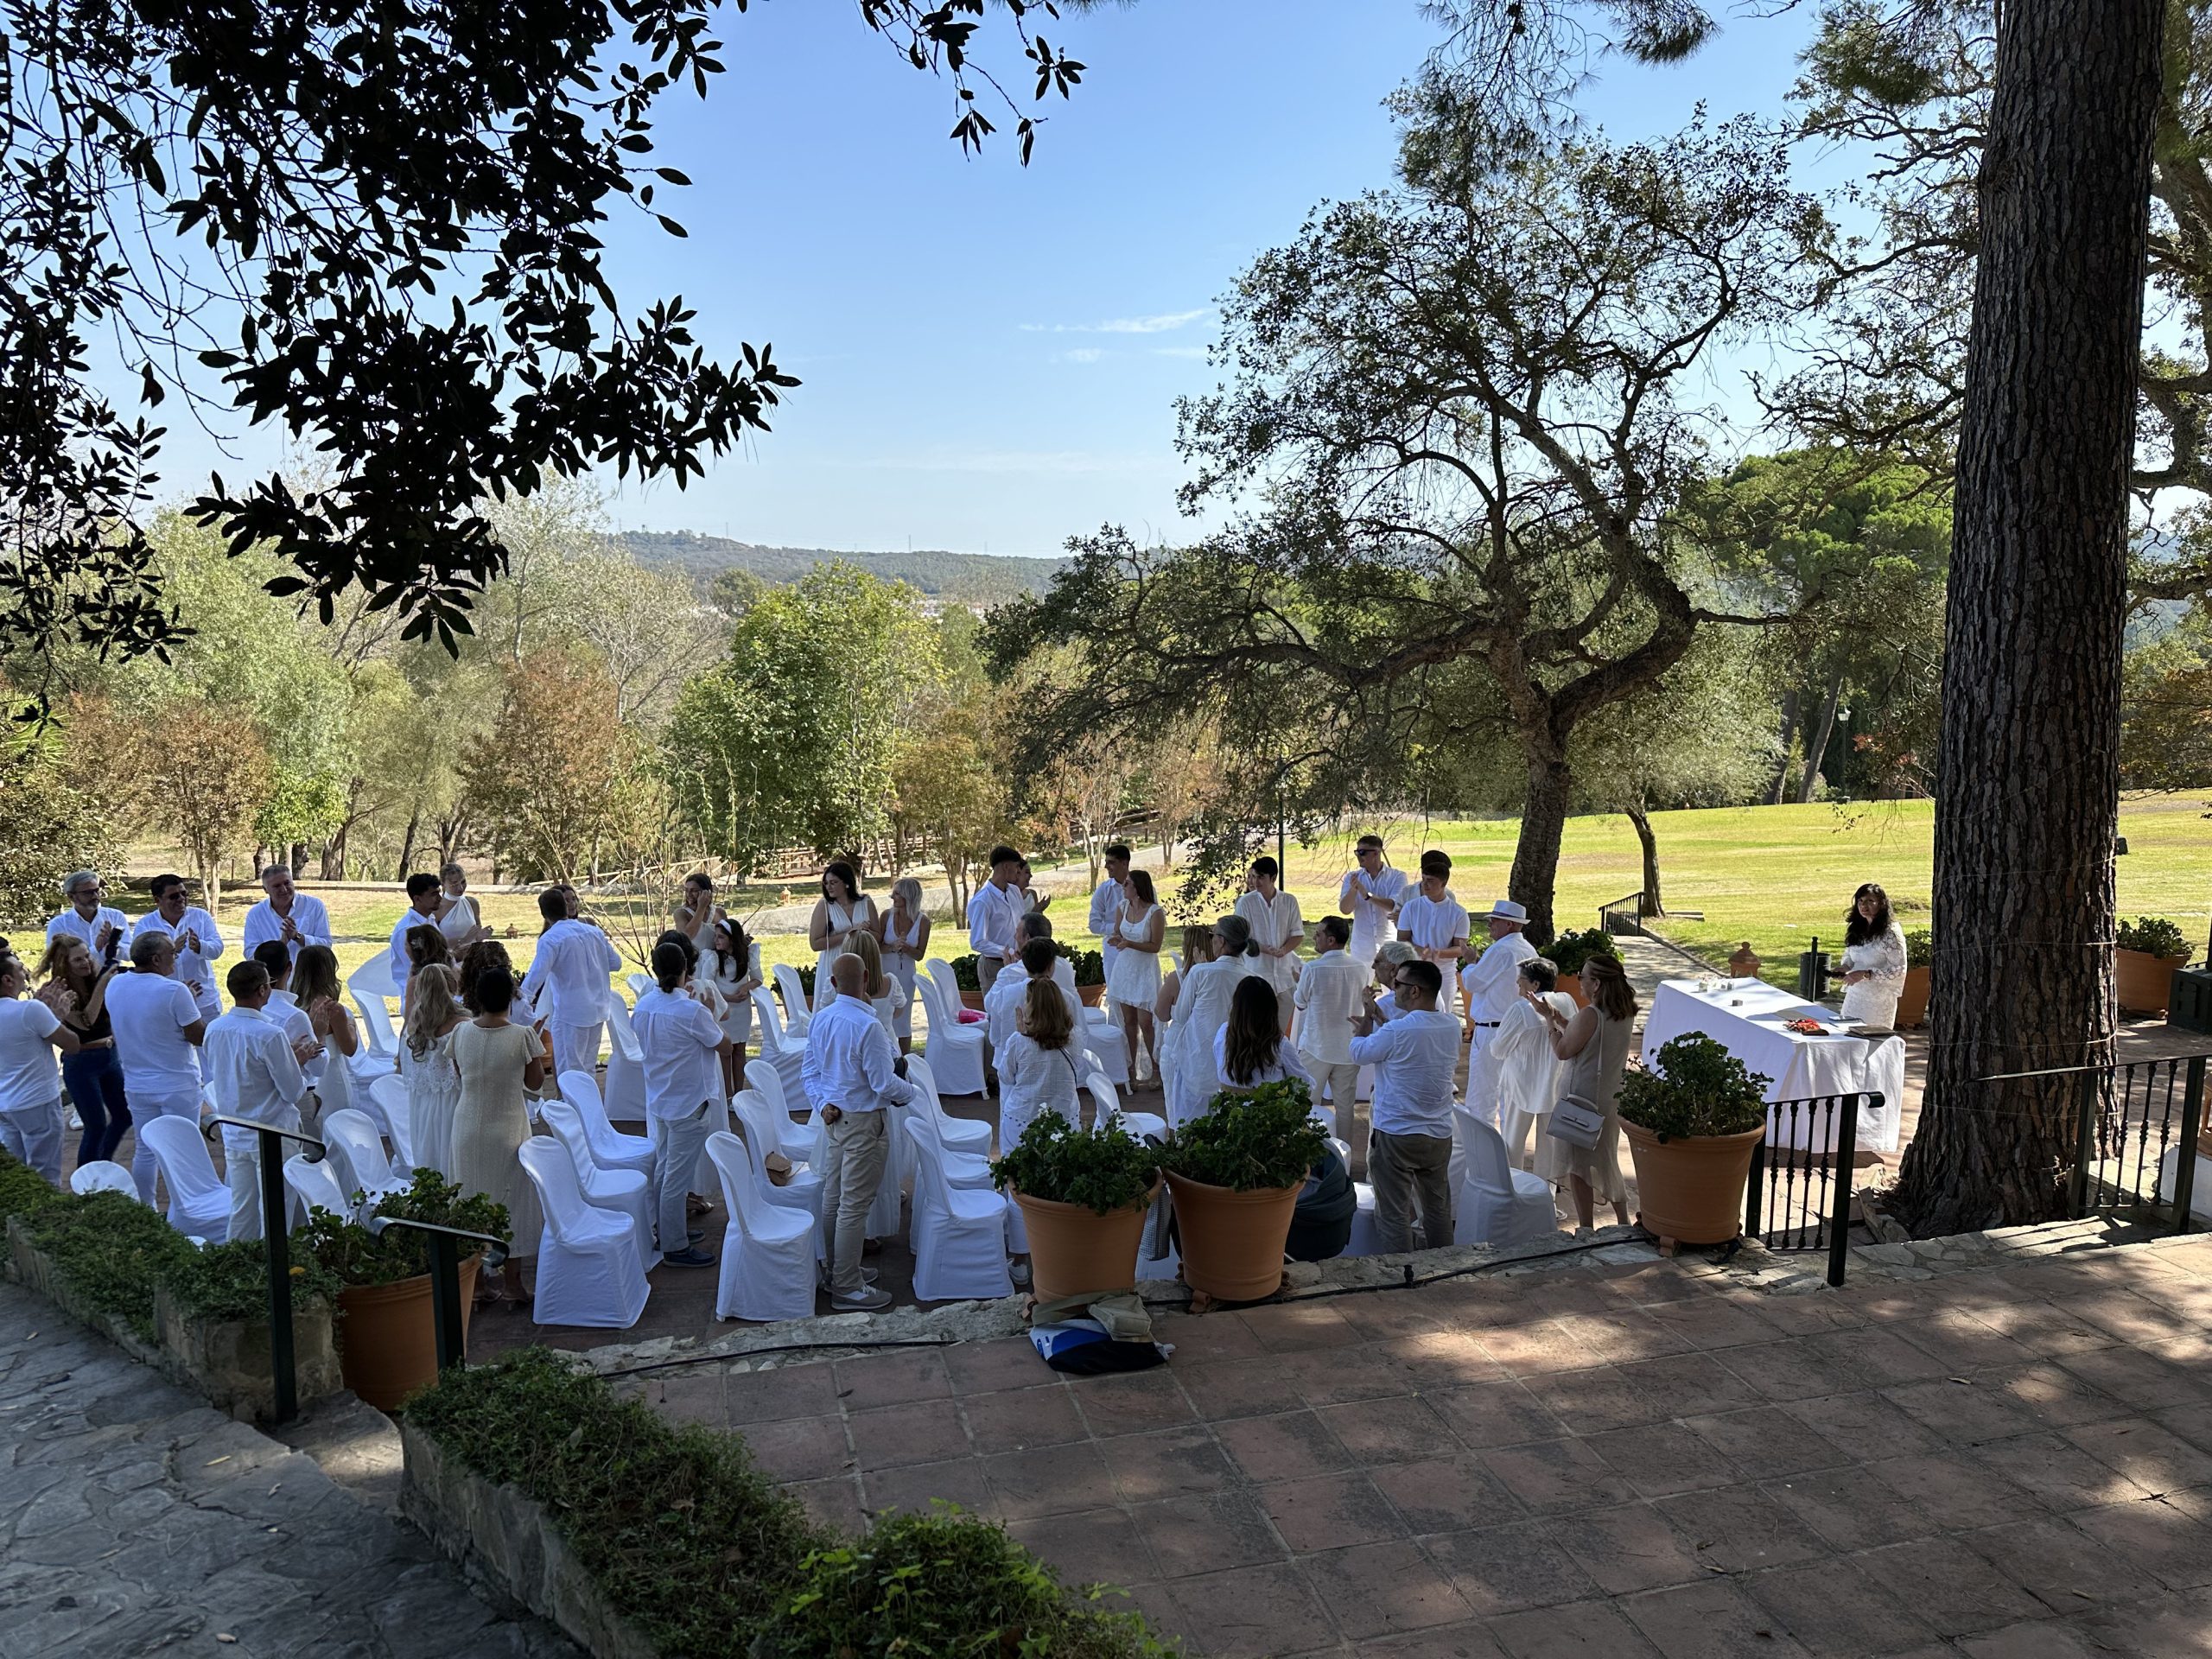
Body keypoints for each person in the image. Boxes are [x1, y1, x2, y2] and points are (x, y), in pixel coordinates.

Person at [801, 954, 918, 1312]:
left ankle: (839, 1270)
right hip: (864, 1123)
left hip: (835, 1121)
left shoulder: (822, 1018)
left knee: (834, 1200)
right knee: (852, 1205)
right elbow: (883, 1083)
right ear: (867, 979)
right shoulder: (868, 1027)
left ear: (833, 984)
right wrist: (912, 1091)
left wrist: (822, 1104)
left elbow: (809, 1073)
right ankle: (847, 1287)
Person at [449, 969, 547, 1305]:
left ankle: (475, 1285)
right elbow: (535, 1084)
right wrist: (533, 1047)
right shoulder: (521, 1035)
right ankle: (513, 1283)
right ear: (510, 998)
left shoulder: (461, 1032)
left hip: (466, 1126)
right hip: (506, 1126)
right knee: (512, 1202)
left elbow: (461, 1073)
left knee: (470, 1200)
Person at [1349, 959, 1459, 1252]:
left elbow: (1358, 1052)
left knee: (1394, 1213)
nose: (1392, 988)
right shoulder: (1451, 1025)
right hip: (1437, 1133)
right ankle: (1444, 1270)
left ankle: (1402, 1276)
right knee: (1437, 1211)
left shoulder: (1397, 1032)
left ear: (1414, 991)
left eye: (1397, 983)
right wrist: (1382, 1021)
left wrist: (1367, 1018)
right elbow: (1412, 1039)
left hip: (1396, 1134)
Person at [632, 941, 728, 1268]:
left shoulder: (644, 1006)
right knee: (676, 1176)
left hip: (660, 1097)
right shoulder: (691, 1010)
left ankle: (667, 1230)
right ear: (686, 968)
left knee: (664, 1169)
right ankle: (674, 1246)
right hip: (688, 1102)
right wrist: (709, 1009)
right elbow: (724, 1046)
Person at [1532, 950, 1638, 1232]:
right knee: (1606, 1159)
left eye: (1583, 976)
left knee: (1577, 1165)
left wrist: (1549, 1023)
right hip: (1608, 1096)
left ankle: (1587, 1228)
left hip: (1581, 1097)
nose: (1579, 980)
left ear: (1597, 984)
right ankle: (1624, 1221)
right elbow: (1592, 1039)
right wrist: (1560, 1018)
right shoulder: (1624, 1011)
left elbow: (1563, 1051)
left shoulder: (1591, 1014)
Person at [205, 960, 308, 1241]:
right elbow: (293, 1092)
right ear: (263, 990)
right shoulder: (270, 1034)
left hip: (236, 1132)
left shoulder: (214, 1029)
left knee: (243, 1209)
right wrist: (297, 1061)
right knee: (276, 1210)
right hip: (273, 1134)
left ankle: (240, 1265)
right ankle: (273, 1271)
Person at [105, 931, 209, 1203]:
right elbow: (197, 1036)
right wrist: (189, 1002)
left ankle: (147, 1209)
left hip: (137, 1084)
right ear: (155, 959)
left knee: (145, 1149)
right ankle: (186, 1209)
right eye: (171, 953)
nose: (175, 957)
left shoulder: (115, 986)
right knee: (185, 1150)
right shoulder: (175, 990)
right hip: (178, 1086)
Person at [35, 937, 129, 1168]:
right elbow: (86, 1021)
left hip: (109, 1057)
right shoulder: (60, 990)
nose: (86, 962)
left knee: (123, 1116)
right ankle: (86, 1179)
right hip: (81, 1063)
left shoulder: (94, 978)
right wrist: (103, 985)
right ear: (64, 963)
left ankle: (102, 1165)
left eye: (87, 955)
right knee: (95, 1125)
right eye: (78, 959)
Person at [1164, 913, 1259, 1127]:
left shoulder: (1200, 972)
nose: (1211, 939)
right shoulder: (1252, 979)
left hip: (1197, 1062)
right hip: (1233, 1067)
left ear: (1221, 941)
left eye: (1212, 935)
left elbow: (1179, 1015)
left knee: (1188, 1127)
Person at [519, 887, 620, 1080]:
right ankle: (589, 1109)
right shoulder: (593, 932)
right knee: (588, 1069)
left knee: (570, 1074)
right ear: (566, 909)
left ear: (544, 914)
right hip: (599, 1009)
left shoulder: (551, 938)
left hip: (571, 1014)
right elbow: (616, 963)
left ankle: (574, 1109)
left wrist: (520, 1000)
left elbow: (535, 977)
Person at [0, 944, 80, 1183]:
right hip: (37, 1103)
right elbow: (72, 1045)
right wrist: (56, 1016)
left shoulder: (31, 1010)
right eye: (20, 969)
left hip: (5, 1106)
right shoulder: (31, 1010)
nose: (25, 973)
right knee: (46, 1174)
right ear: (7, 979)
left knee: (17, 1172)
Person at [1459, 900, 1538, 1126]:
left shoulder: (1502, 949)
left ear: (1510, 924)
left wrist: (1471, 963)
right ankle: (1507, 1153)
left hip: (1492, 1031)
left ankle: (1479, 1155)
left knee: (1481, 1098)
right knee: (1509, 1097)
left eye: (1495, 920)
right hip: (1515, 1029)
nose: (1490, 924)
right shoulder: (1528, 949)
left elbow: (1473, 982)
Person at [1492, 957, 1574, 1170]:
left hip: (1521, 1084)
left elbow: (1497, 1050)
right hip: (1555, 1082)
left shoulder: (1520, 1010)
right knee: (1550, 1144)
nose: (1518, 984)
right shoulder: (1566, 1001)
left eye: (1521, 981)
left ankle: (1511, 1189)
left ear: (1535, 985)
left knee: (1513, 1140)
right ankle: (1546, 1197)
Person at [1294, 916, 1366, 1149]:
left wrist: (1299, 980)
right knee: (1345, 1108)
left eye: (1319, 934)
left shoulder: (1313, 968)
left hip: (1317, 1046)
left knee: (1306, 1105)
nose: (1315, 937)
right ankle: (1343, 1156)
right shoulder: (1360, 967)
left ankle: (1305, 1154)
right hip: (1349, 1047)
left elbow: (1300, 1002)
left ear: (1331, 940)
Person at [130, 874, 226, 1030]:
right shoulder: (145, 925)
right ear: (157, 900)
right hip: (167, 1000)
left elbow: (217, 949)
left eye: (184, 893)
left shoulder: (201, 916)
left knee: (210, 1050)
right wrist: (170, 949)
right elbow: (140, 962)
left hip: (204, 999)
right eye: (174, 896)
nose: (181, 899)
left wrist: (200, 946)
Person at [403, 963, 467, 1175]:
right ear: (454, 986)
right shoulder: (462, 1025)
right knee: (453, 1165)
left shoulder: (413, 1026)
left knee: (430, 1161)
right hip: (453, 1103)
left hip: (422, 1105)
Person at [290, 945, 362, 1132]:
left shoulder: (293, 1006)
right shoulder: (332, 1009)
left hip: (306, 1079)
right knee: (338, 1130)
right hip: (332, 1077)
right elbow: (349, 1048)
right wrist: (352, 1026)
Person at [1105, 870, 1166, 1083]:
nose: (1123, 887)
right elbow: (1118, 932)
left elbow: (1155, 946)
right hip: (1124, 969)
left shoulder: (1155, 913)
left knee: (1146, 1022)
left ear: (1137, 887)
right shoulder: (1122, 908)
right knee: (1128, 1021)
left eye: (1127, 884)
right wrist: (1116, 939)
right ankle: (1131, 1069)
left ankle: (1156, 1069)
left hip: (1144, 970)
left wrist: (1129, 943)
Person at [984, 928, 1079, 1058]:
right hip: (1057, 1063)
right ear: (1051, 966)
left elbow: (995, 1038)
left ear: (1025, 964)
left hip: (1010, 1065)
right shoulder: (1066, 997)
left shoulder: (1004, 994)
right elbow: (1079, 1034)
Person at [1397, 852, 1471, 1018]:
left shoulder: (1458, 913)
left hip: (1444, 973)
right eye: (1424, 880)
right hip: (1415, 972)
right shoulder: (1411, 907)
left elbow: (1460, 948)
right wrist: (1420, 950)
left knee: (1443, 1016)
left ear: (1443, 883)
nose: (1425, 885)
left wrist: (1439, 953)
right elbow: (1402, 939)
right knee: (1413, 1017)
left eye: (1431, 881)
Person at [1236, 856, 1305, 1027]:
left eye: (1261, 877)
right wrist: (1262, 948)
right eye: (1253, 877)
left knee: (1279, 1032)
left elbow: (1298, 934)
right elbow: (1240, 938)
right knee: (1257, 1028)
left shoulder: (1289, 901)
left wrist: (1283, 950)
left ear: (1273, 878)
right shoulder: (1246, 902)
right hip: (1257, 975)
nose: (1256, 881)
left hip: (1284, 978)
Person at [1216, 977, 1313, 1093]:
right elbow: (1304, 1084)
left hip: (1227, 1107)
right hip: (1267, 1109)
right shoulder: (1279, 1044)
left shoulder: (1223, 1032)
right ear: (1272, 1009)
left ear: (1236, 1006)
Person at [702, 918, 761, 1095]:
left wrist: (746, 986)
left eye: (721, 937)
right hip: (723, 1010)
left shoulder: (747, 956)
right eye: (716, 937)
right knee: (726, 1051)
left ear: (732, 939)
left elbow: (758, 979)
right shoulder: (713, 958)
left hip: (742, 1010)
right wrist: (728, 998)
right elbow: (707, 985)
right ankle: (727, 1094)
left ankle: (739, 1091)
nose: (716, 940)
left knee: (740, 1049)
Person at [809, 862, 875, 1014]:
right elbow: (815, 943)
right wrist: (849, 933)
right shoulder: (825, 905)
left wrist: (864, 932)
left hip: (863, 957)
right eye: (826, 883)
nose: (829, 887)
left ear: (846, 883)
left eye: (833, 882)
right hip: (834, 961)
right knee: (832, 1009)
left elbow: (878, 935)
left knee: (862, 1007)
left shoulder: (866, 902)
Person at [1840, 882, 1909, 1027]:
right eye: (1861, 901)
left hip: (1878, 1000)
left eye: (1870, 901)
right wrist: (1844, 967)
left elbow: (1899, 969)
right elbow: (1850, 955)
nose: (1864, 906)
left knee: (1870, 1041)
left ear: (1881, 904)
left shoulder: (1890, 933)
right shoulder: (1858, 929)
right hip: (1854, 996)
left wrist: (1866, 974)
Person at [876, 878, 931, 1052]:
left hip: (906, 975)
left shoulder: (923, 922)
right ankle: (883, 1053)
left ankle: (904, 1061)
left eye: (897, 893)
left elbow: (920, 954)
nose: (892, 896)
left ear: (909, 896)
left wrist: (906, 948)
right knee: (883, 1013)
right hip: (884, 971)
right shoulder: (886, 915)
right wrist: (893, 947)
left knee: (903, 1018)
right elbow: (877, 946)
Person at [964, 845, 1027, 995]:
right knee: (997, 1013)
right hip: (994, 966)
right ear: (1006, 867)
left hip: (1019, 964)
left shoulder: (1014, 891)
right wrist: (1008, 952)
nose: (1019, 871)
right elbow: (978, 942)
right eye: (1017, 867)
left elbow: (1022, 923)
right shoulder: (982, 901)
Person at [1339, 836, 1409, 967]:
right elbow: (1345, 910)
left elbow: (1393, 906)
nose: (1359, 856)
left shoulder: (1397, 876)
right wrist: (1354, 890)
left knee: (1392, 987)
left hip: (1389, 943)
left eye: (1362, 852)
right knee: (1361, 987)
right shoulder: (1352, 877)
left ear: (1376, 853)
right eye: (1357, 852)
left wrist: (1367, 896)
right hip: (1361, 946)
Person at [241, 864, 333, 964]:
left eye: (287, 883)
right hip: (274, 978)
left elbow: (326, 945)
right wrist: (280, 945)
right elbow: (250, 954)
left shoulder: (314, 905)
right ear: (265, 889)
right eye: (277, 886)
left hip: (309, 977)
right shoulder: (256, 914)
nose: (284, 889)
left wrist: (297, 937)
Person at [46, 870, 129, 964]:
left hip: (112, 976)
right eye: (88, 893)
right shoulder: (59, 924)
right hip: (77, 978)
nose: (95, 896)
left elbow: (130, 955)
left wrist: (113, 944)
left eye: (97, 890)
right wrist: (96, 948)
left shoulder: (115, 916)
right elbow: (56, 962)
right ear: (71, 896)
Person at [845, 931, 906, 1044]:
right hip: (887, 1044)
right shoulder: (891, 982)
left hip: (850, 1045)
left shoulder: (834, 984)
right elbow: (898, 1013)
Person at [390, 873, 446, 988]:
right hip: (418, 994)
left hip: (434, 989)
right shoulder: (407, 930)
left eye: (439, 893)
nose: (440, 898)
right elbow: (417, 966)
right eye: (434, 894)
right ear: (417, 898)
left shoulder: (430, 919)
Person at [1088, 844, 1131, 984]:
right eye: (1106, 862)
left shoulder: (1142, 887)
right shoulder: (1103, 890)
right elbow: (1094, 924)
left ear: (1124, 863)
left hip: (1138, 949)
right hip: (1113, 951)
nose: (1106, 866)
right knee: (1115, 996)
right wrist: (1117, 929)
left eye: (1111, 862)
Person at [398, 924, 452, 1022]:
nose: (405, 948)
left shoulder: (416, 982)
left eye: (406, 944)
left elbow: (409, 1023)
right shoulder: (454, 971)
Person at [435, 863, 488, 952]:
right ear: (443, 884)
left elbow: (477, 933)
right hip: (449, 960)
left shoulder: (472, 903)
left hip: (473, 957)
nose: (460, 888)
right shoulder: (437, 909)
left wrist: (480, 936)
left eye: (463, 882)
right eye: (454, 884)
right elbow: (435, 944)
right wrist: (464, 940)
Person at [1369, 939, 1420, 1022]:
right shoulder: (1430, 991)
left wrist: (1367, 1019)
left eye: (1377, 962)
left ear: (1393, 969)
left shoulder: (1385, 1005)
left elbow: (1371, 1034)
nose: (1373, 966)